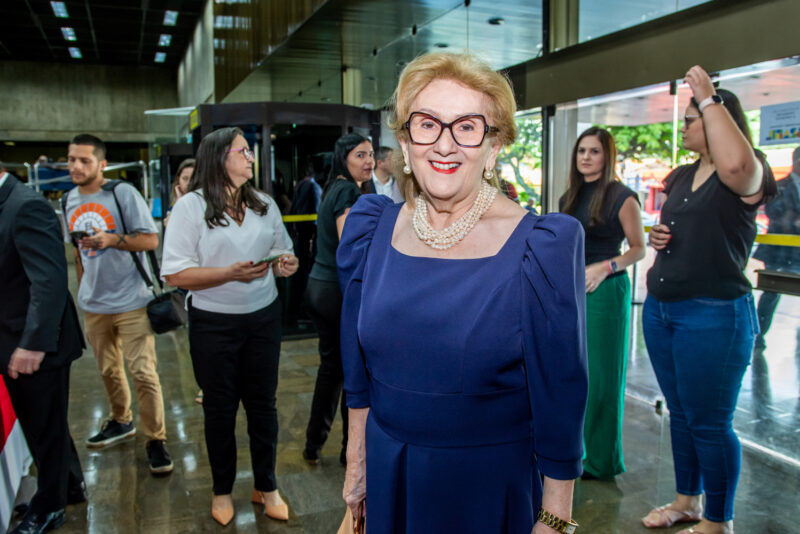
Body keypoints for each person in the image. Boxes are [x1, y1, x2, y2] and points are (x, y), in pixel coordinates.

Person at [340, 52, 588, 533]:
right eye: (428, 124)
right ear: (407, 142)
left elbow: (561, 391)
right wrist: (357, 459)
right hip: (390, 468)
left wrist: (555, 519)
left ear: (493, 146)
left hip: (487, 487)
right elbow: (357, 368)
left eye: (468, 126)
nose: (445, 144)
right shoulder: (370, 229)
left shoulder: (541, 247)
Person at [641, 66, 776, 534]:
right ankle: (687, 502)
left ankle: (718, 520)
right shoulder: (681, 175)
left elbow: (736, 168)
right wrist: (659, 237)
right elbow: (687, 230)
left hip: (714, 314)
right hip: (663, 309)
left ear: (721, 118)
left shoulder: (746, 166)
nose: (684, 127)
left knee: (711, 423)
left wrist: (707, 94)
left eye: (692, 118)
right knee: (682, 414)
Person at [161, 127, 298, 526]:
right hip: (213, 323)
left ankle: (265, 485)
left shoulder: (264, 203)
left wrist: (286, 263)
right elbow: (175, 274)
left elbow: (282, 250)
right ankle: (222, 489)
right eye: (244, 151)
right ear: (221, 157)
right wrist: (228, 274)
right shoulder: (191, 207)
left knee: (263, 405)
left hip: (263, 317)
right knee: (220, 409)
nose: (251, 157)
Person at [63, 134, 173, 475]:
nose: (76, 166)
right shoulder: (68, 199)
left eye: (84, 160)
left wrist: (113, 240)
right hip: (95, 304)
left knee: (143, 373)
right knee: (108, 370)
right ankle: (121, 420)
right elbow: (78, 254)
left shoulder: (121, 193)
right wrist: (85, 291)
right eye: (71, 160)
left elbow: (151, 239)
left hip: (132, 299)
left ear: (102, 164)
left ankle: (156, 439)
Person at [0, 164, 86, 534]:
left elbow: (49, 281)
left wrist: (32, 346)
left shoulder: (25, 206)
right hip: (16, 337)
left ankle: (50, 506)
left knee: (43, 428)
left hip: (34, 343)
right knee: (48, 423)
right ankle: (70, 485)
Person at [560, 127, 646, 480]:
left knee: (602, 378)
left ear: (606, 156)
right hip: (573, 289)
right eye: (581, 151)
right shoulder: (571, 195)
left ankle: (602, 460)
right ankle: (578, 451)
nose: (586, 157)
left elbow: (638, 247)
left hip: (606, 291)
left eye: (594, 151)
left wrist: (605, 267)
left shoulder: (622, 197)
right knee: (576, 376)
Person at [303, 133, 374, 467]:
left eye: (371, 154)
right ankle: (349, 450)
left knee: (331, 371)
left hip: (320, 286)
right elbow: (351, 245)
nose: (368, 161)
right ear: (344, 158)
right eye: (360, 155)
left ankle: (313, 445)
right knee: (349, 372)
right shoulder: (347, 190)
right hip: (336, 290)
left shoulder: (334, 187)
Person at [752, 145, 800, 349]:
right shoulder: (779, 187)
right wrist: (794, 222)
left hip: (795, 252)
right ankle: (758, 335)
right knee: (771, 292)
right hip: (779, 252)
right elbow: (776, 215)